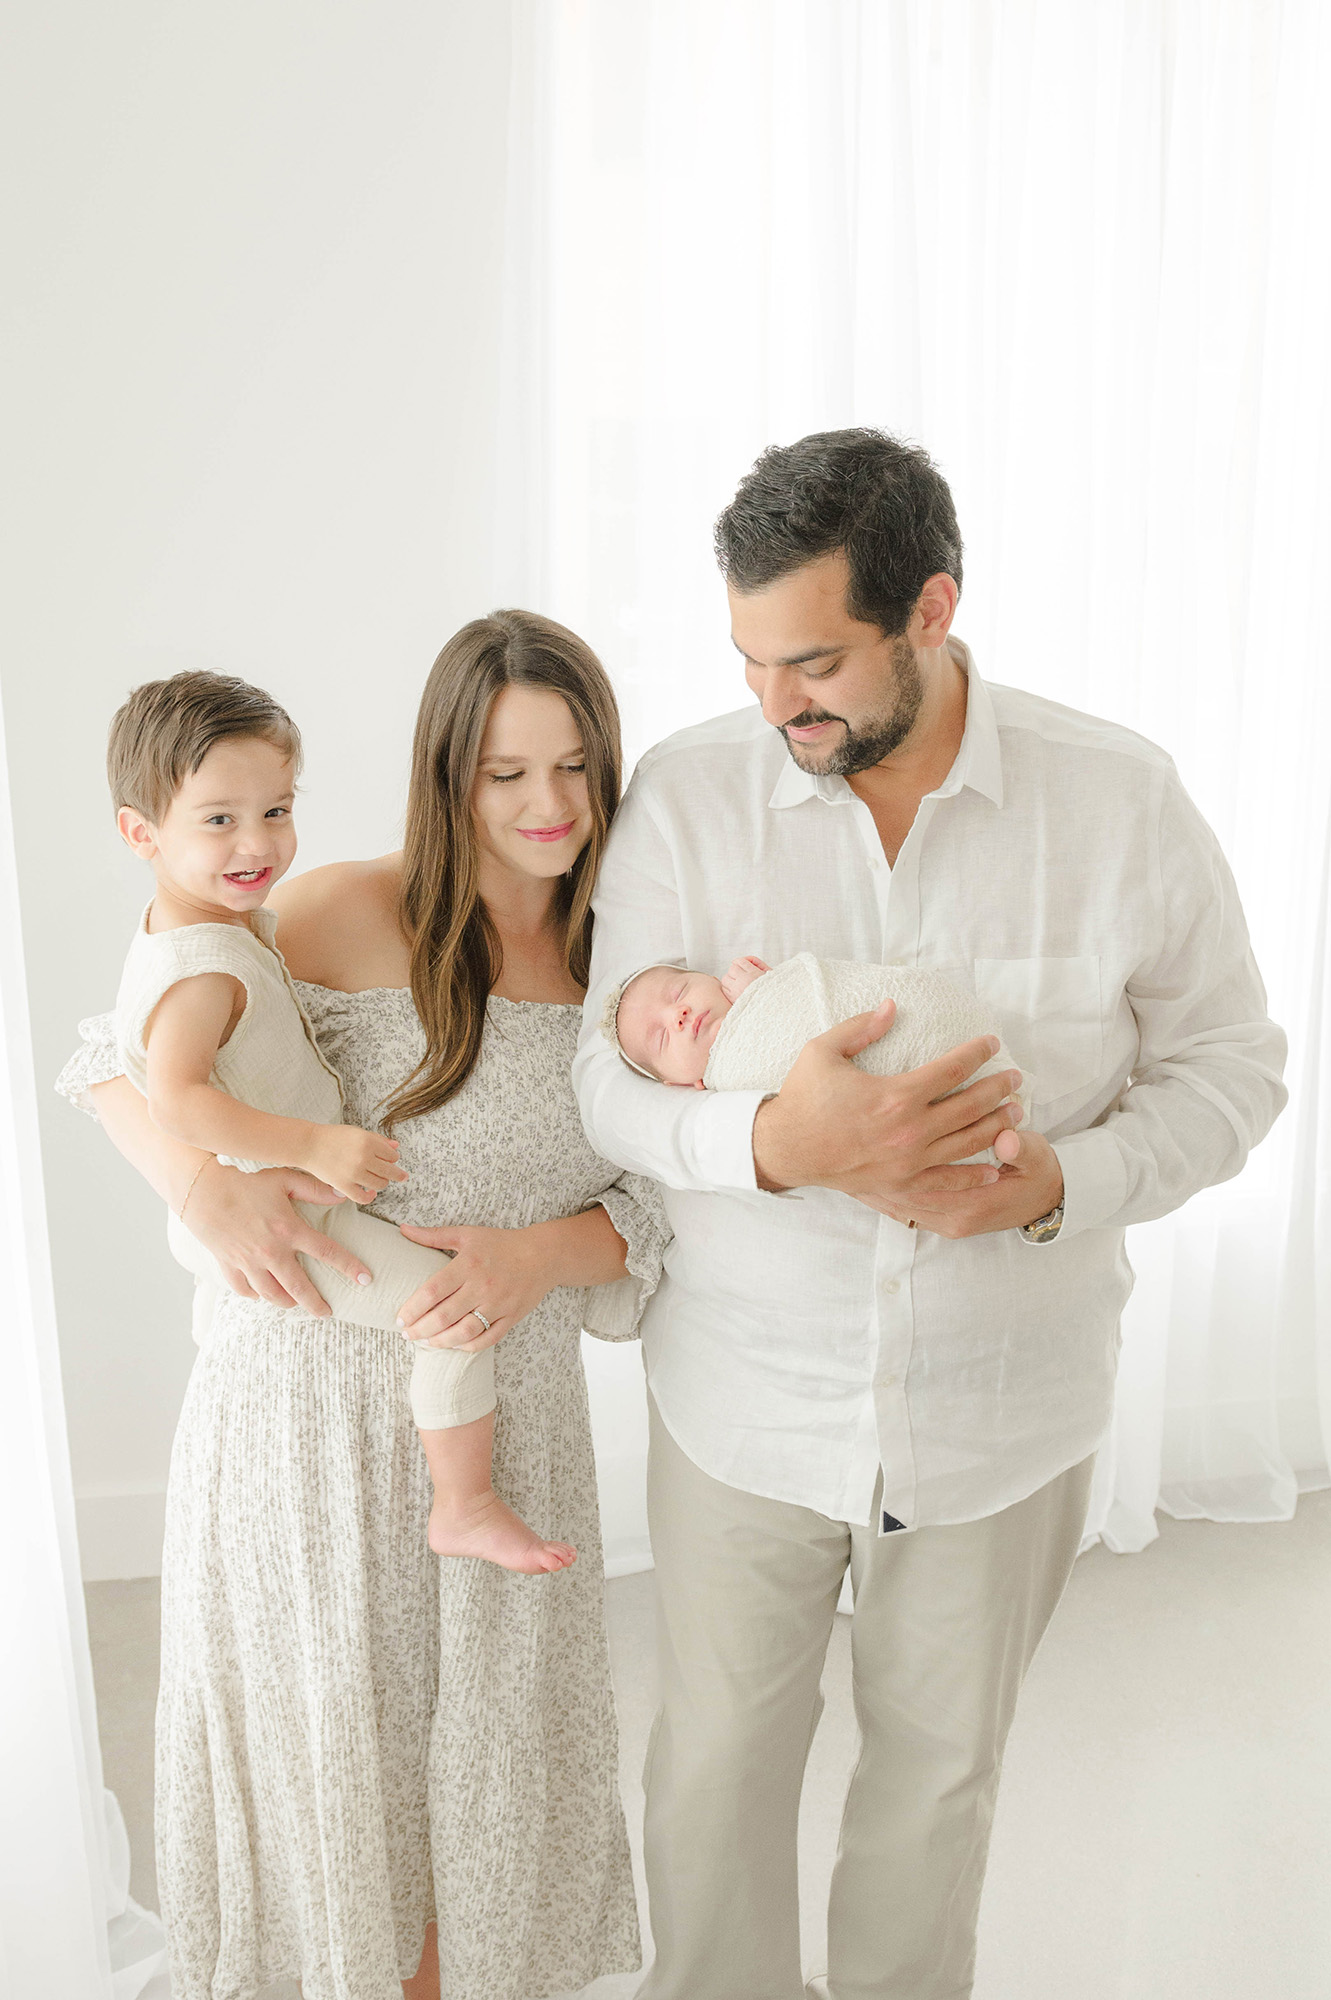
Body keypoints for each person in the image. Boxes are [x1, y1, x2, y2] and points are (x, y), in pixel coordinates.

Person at [572, 428, 1287, 2000]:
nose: (778, 706)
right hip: (741, 1406)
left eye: (815, 660)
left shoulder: (1115, 801)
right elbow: (600, 1083)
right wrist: (773, 1141)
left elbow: (1234, 1071)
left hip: (997, 1416)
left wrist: (1052, 1186)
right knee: (710, 1780)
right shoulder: (691, 796)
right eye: (753, 663)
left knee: (933, 1791)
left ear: (931, 610)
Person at [58, 610, 663, 2000]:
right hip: (300, 1430)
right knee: (341, 1790)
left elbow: (670, 1217)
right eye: (505, 774)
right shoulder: (335, 907)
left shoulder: (629, 971)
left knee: (487, 1795)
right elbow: (120, 1048)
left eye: (575, 768)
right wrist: (198, 1187)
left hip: (501, 1430)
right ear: (444, 775)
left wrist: (536, 1257)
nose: (548, 807)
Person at [107, 667, 578, 1573]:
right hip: (304, 1335)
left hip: (501, 1385)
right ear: (141, 832)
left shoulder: (238, 929)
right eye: (219, 819)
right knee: (447, 1315)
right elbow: (141, 1080)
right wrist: (231, 1176)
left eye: (277, 810)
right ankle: (466, 1502)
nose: (258, 842)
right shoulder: (224, 952)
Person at [604, 954, 1023, 1129]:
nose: (677, 1016)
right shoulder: (727, 1096)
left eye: (679, 993)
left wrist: (767, 991)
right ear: (681, 1085)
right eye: (661, 1037)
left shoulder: (765, 989)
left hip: (922, 1028)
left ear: (712, 979)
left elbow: (823, 1000)